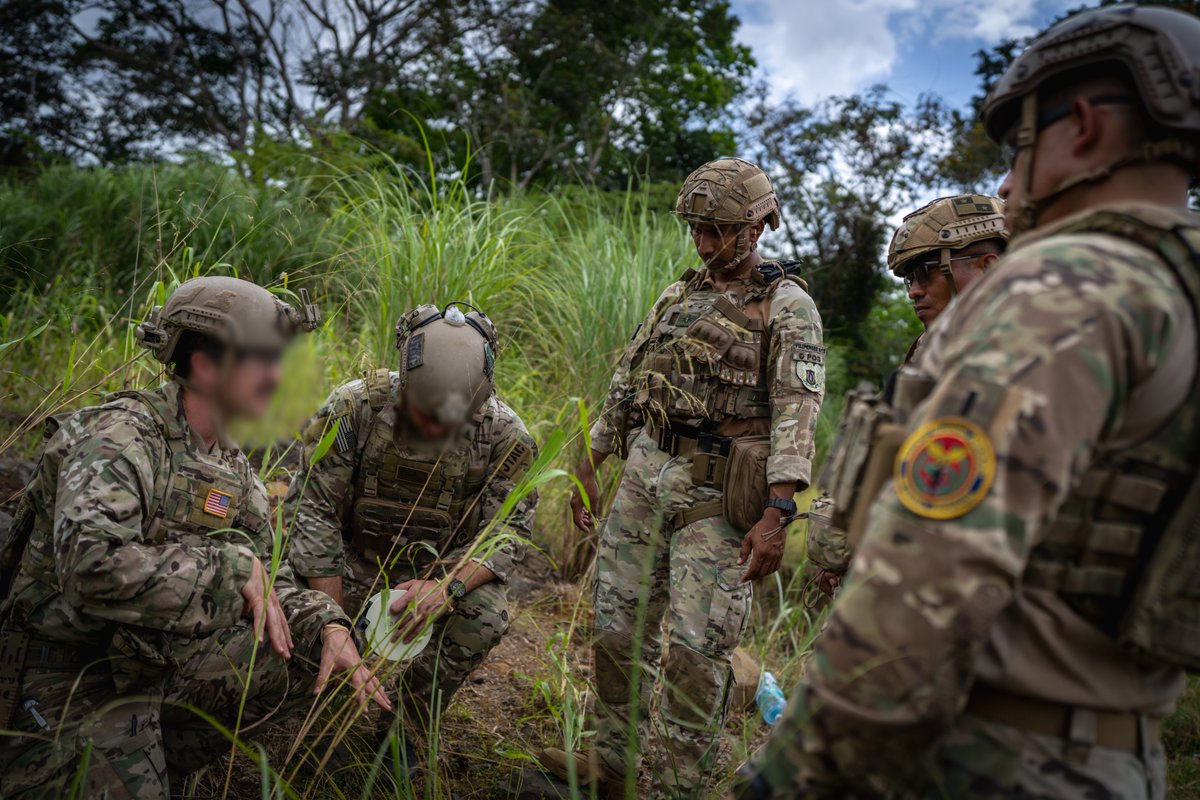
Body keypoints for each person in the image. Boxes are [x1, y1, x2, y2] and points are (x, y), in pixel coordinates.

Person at [734, 5, 1200, 798]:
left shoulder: (1066, 287)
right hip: (1116, 755)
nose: (1008, 182)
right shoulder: (1173, 292)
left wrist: (799, 770)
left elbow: (933, 571)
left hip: (976, 750)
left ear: (1082, 125)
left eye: (1020, 143)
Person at [0, 277, 389, 799]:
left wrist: (327, 623)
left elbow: (267, 582)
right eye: (265, 360)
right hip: (64, 672)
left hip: (146, 664)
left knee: (298, 652)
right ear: (205, 364)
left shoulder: (231, 467)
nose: (278, 377)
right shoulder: (121, 437)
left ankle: (164, 757)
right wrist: (228, 570)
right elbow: (90, 567)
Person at [539, 157, 825, 798]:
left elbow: (797, 417)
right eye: (696, 228)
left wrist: (779, 516)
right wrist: (593, 461)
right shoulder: (679, 295)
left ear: (757, 227)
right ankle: (612, 760)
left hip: (719, 496)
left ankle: (672, 785)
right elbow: (629, 381)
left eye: (717, 229)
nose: (703, 242)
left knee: (698, 655)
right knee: (616, 628)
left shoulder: (788, 307)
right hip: (645, 476)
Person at [284, 303, 537, 734]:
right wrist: (334, 617)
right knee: (295, 603)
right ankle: (318, 707)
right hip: (348, 562)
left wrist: (445, 587)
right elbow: (313, 508)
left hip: (434, 574)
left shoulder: (506, 438)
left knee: (484, 616)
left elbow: (504, 534)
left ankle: (406, 728)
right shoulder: (354, 408)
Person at [806, 195, 1008, 600]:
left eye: (926, 271)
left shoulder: (1018, 354)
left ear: (987, 267)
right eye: (907, 279)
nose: (913, 291)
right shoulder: (930, 348)